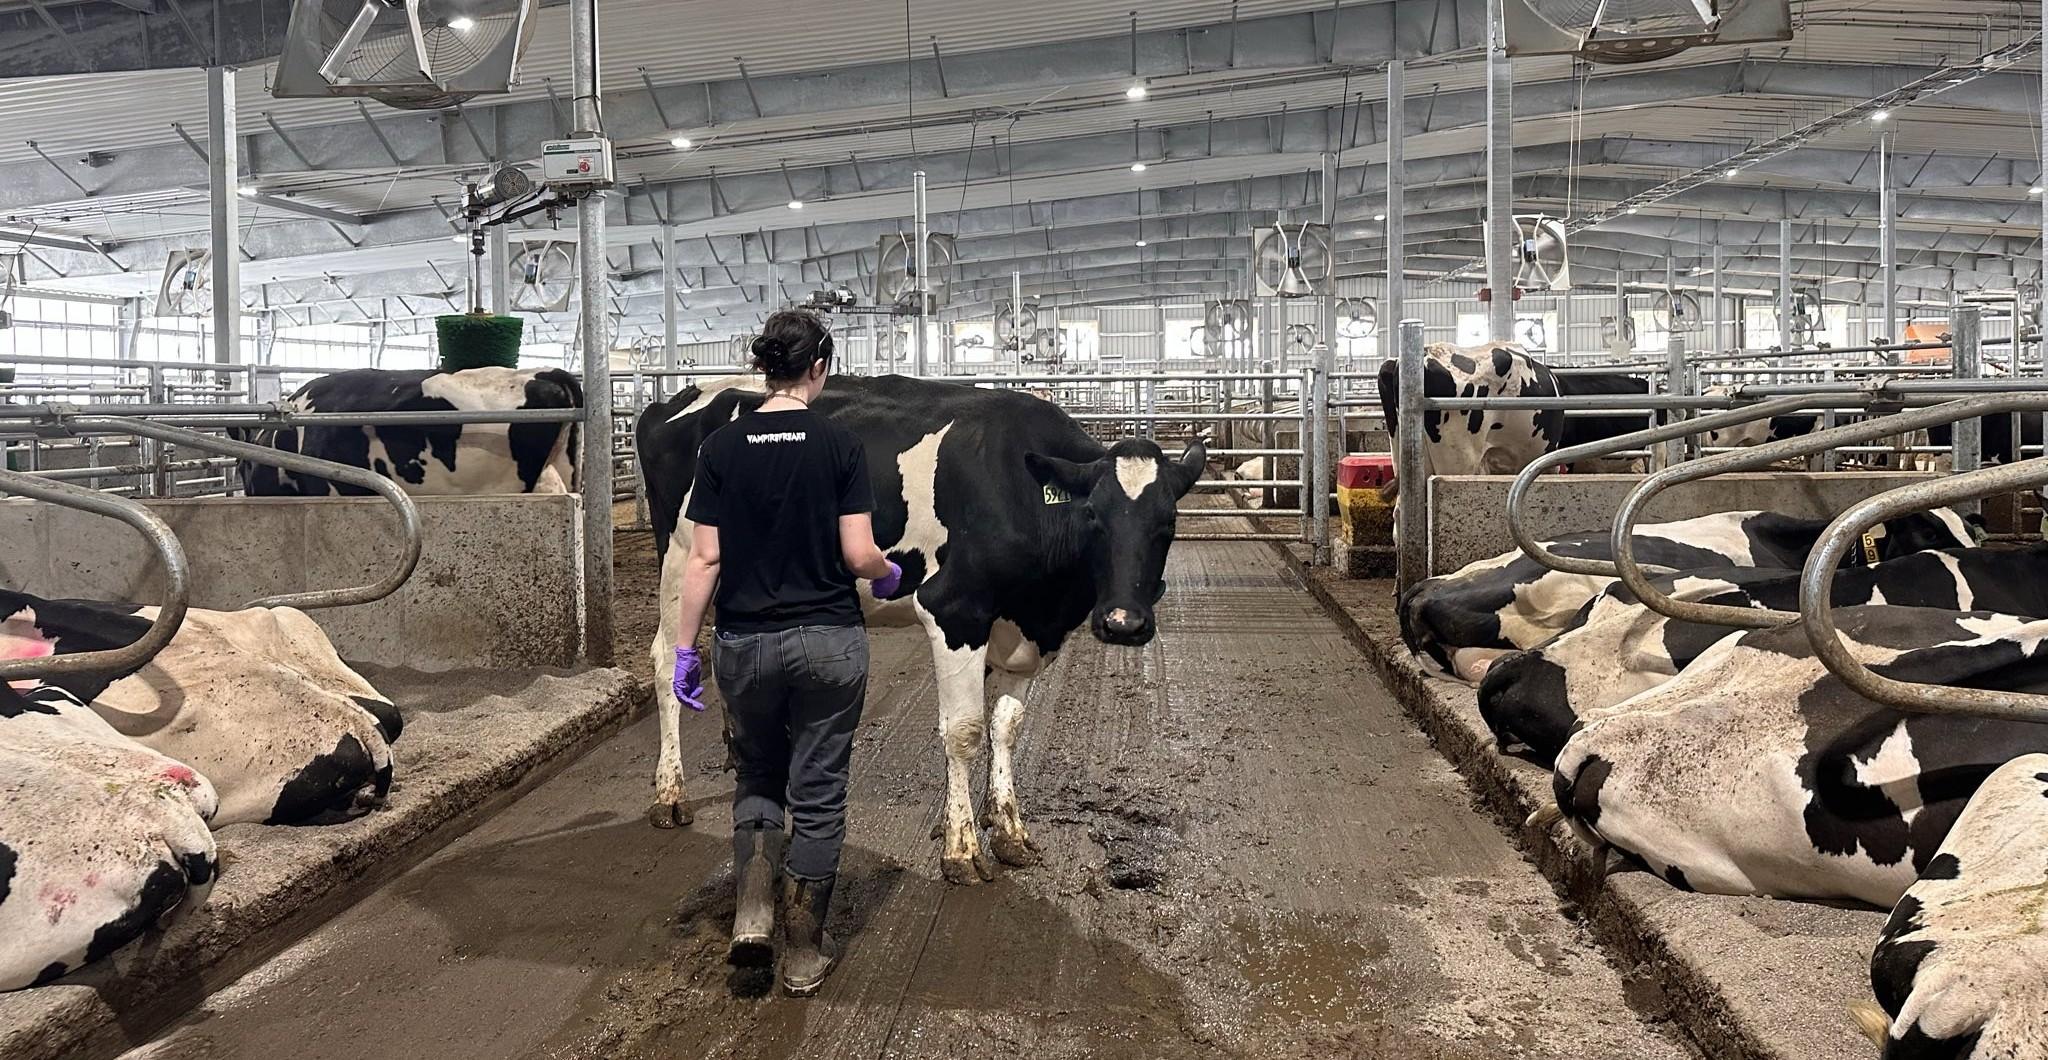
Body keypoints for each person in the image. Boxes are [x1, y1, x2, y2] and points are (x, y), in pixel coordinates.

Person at [667, 309, 900, 997]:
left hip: (745, 645)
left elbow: (703, 558)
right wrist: (889, 576)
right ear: (819, 367)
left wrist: (686, 650)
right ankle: (802, 952)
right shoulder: (839, 443)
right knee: (819, 791)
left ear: (765, 367)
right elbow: (858, 553)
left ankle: (752, 916)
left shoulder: (722, 448)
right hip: (829, 642)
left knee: (758, 774)